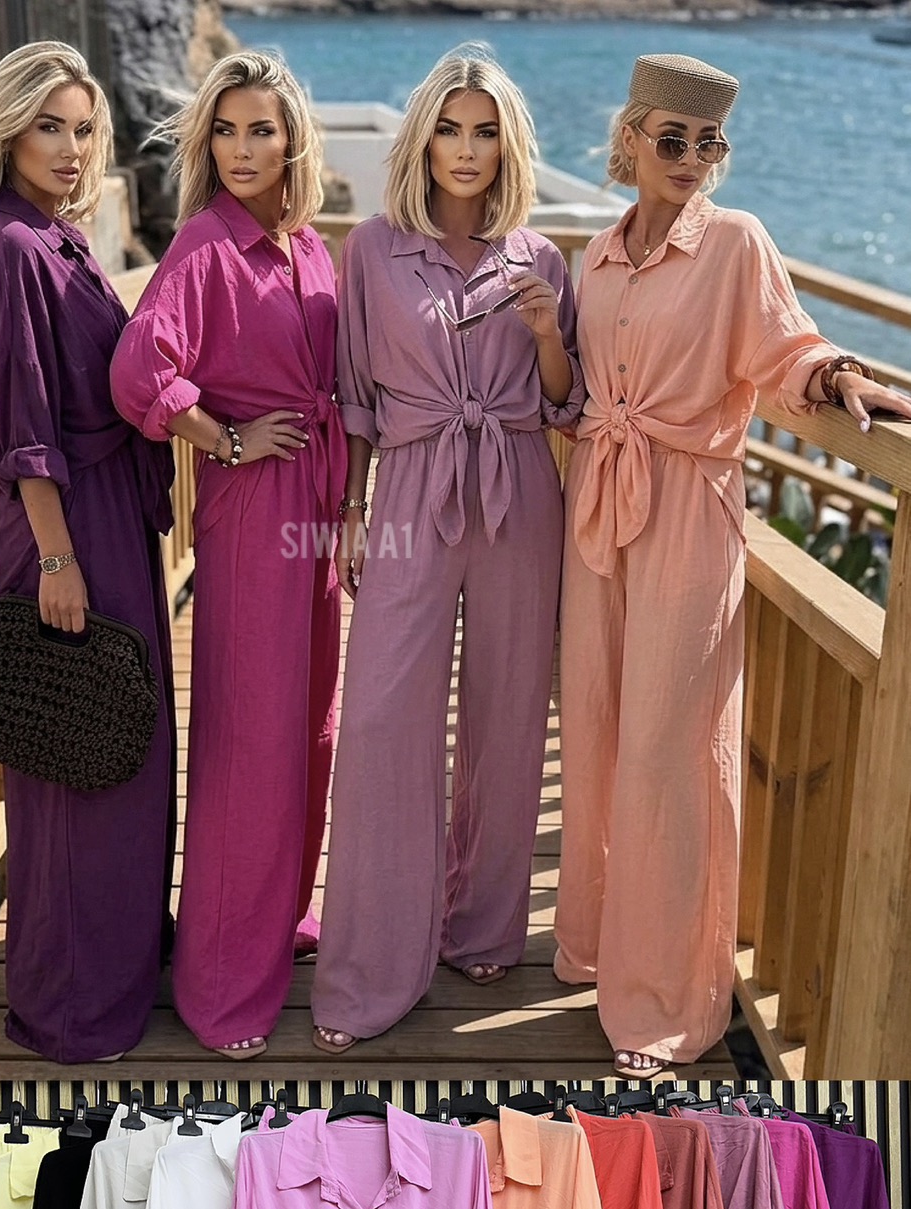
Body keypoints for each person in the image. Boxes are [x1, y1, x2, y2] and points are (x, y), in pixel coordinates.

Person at [551, 52, 911, 1077]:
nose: (692, 159)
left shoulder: (737, 241)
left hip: (686, 517)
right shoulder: (596, 256)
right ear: (630, 140)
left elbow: (785, 348)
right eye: (672, 139)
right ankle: (597, 946)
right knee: (597, 726)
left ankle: (666, 999)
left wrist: (838, 377)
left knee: (670, 753)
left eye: (708, 143)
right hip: (599, 505)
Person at [311, 47, 584, 1053]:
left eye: (485, 132)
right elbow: (354, 396)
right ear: (423, 138)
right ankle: (370, 967)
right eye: (450, 129)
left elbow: (566, 403)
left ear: (508, 145)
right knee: (384, 724)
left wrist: (548, 333)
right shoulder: (373, 250)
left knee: (510, 716)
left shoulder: (541, 257)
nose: (466, 149)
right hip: (412, 489)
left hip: (520, 490)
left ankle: (482, 925)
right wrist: (348, 510)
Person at [111, 51, 346, 1059]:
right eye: (226, 130)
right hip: (254, 509)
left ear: (292, 140)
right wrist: (227, 439)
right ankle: (219, 980)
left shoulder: (310, 245)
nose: (243, 149)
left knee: (310, 724)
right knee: (252, 741)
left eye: (261, 130)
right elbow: (140, 366)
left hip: (318, 509)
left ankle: (279, 915)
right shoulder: (205, 246)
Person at [0, 41, 176, 1063]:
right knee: (74, 760)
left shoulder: (59, 238)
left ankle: (126, 965)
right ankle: (72, 1008)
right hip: (64, 527)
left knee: (121, 747)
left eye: (85, 129)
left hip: (106, 518)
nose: (72, 147)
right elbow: (23, 421)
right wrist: (56, 560)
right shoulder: (9, 249)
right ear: (8, 131)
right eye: (50, 126)